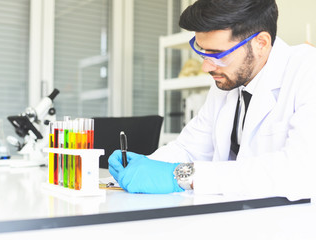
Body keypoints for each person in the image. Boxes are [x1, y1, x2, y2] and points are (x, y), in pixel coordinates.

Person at [108, 0, 316, 200]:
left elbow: (301, 171)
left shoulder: (307, 70)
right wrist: (144, 165)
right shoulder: (227, 83)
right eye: (203, 52)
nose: (206, 67)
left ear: (261, 43)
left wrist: (182, 176)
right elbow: (189, 149)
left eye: (218, 54)